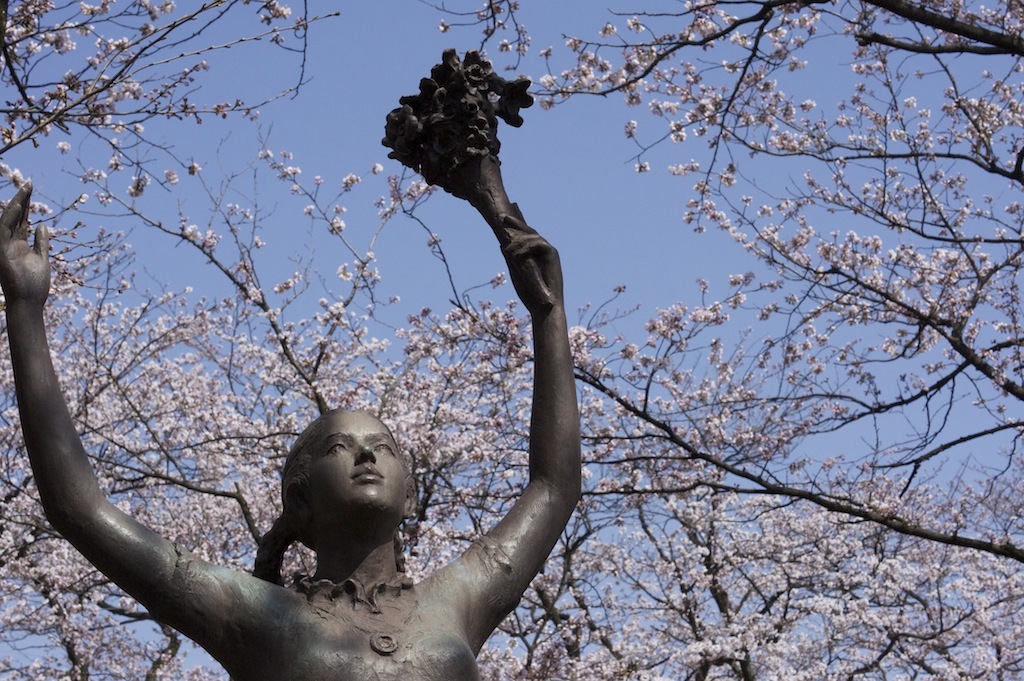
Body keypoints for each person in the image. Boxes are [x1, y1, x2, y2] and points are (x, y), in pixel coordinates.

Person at [0, 183, 581, 680]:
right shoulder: (253, 613)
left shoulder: (456, 600)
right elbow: (78, 507)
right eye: (340, 448)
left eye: (383, 448)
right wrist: (25, 310)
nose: (365, 457)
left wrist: (548, 315)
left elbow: (552, 489)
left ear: (409, 494)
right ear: (300, 498)